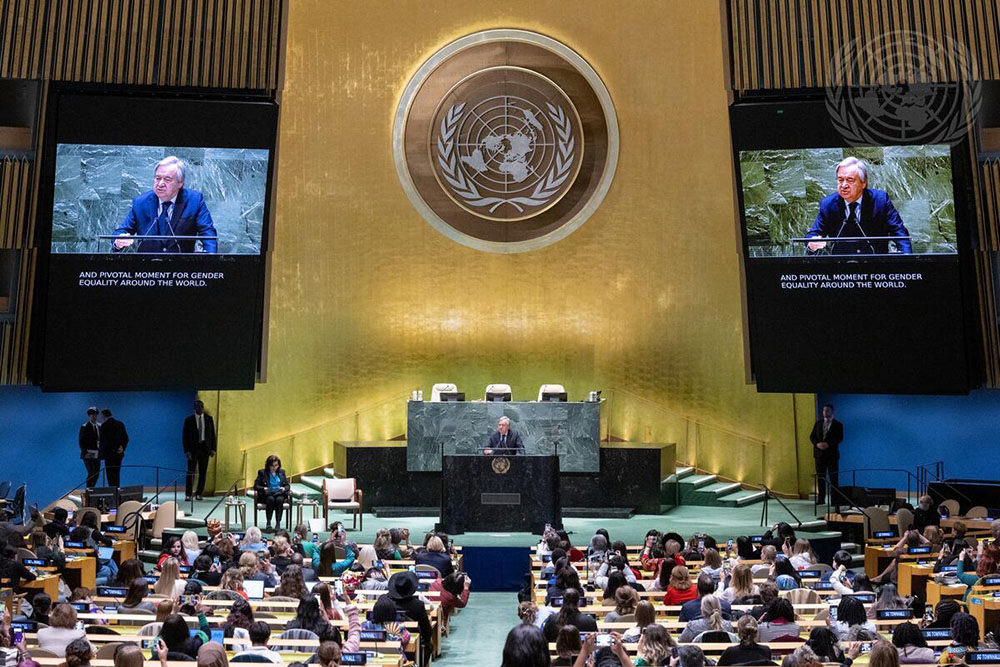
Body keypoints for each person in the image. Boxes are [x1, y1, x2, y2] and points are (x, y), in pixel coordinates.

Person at [805, 156, 911, 255]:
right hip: (841, 267)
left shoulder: (880, 201)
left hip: (876, 265)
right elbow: (814, 233)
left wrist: (907, 259)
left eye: (850, 180)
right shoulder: (828, 204)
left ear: (863, 183)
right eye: (840, 180)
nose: (844, 185)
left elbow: (899, 232)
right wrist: (812, 242)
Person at [112, 156, 217, 253]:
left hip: (182, 268)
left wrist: (210, 259)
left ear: (180, 183)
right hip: (147, 268)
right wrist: (118, 241)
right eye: (158, 178)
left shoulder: (194, 200)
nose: (160, 184)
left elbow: (208, 233)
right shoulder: (141, 203)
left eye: (167, 179)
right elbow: (121, 231)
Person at [387, 571, 434, 662]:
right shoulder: (418, 605)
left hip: (388, 640)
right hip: (412, 645)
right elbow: (426, 630)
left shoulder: (384, 602)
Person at [809, 403, 843, 505]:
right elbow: (812, 436)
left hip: (832, 455)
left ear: (832, 411)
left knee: (833, 478)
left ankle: (834, 500)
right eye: (824, 410)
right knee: (820, 477)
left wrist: (828, 444)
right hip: (819, 455)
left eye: (827, 410)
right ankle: (821, 499)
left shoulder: (838, 424)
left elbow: (839, 438)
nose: (825, 412)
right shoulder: (818, 423)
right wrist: (817, 444)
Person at [183, 400, 217, 501]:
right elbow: (184, 437)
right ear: (195, 408)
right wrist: (187, 451)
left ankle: (199, 493)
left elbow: (212, 435)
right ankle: (188, 494)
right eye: (198, 407)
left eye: (201, 406)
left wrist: (213, 449)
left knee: (203, 472)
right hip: (193, 449)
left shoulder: (209, 419)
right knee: (191, 472)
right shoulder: (189, 420)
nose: (200, 408)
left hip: (205, 449)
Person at [253, 455, 290, 532]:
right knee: (270, 499)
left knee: (279, 500)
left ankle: (278, 523)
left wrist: (284, 488)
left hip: (279, 493)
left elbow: (287, 485)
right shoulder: (262, 473)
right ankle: (268, 523)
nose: (274, 467)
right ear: (268, 465)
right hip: (268, 494)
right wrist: (264, 488)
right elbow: (256, 486)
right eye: (272, 466)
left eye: (276, 465)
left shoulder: (282, 472)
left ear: (278, 465)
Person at [98, 409, 129, 487]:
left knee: (110, 475)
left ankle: (113, 492)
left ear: (103, 416)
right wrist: (122, 447)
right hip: (119, 454)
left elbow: (104, 442)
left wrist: (100, 455)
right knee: (117, 473)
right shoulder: (120, 424)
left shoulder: (104, 426)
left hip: (109, 455)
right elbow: (126, 438)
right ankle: (117, 490)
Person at [79, 407, 101, 488]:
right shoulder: (84, 427)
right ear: (89, 416)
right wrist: (85, 452)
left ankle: (93, 488)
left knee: (97, 473)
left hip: (97, 453)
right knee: (91, 472)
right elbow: (81, 441)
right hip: (88, 453)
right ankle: (89, 489)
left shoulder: (100, 426)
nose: (93, 416)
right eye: (91, 414)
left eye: (95, 414)